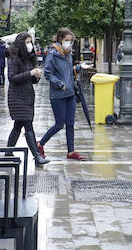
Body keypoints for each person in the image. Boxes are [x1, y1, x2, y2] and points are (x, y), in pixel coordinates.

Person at [39, 27, 86, 161]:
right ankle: (40, 144)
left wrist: (79, 67)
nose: (69, 43)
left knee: (70, 123)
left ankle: (71, 151)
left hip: (70, 93)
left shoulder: (68, 54)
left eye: (70, 41)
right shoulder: (52, 54)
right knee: (59, 124)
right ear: (60, 39)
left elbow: (68, 72)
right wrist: (61, 85)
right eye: (67, 40)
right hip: (59, 94)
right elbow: (48, 74)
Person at [5, 32, 48, 166]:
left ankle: (8, 153)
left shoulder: (27, 58)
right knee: (28, 124)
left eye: (30, 42)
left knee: (18, 125)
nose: (30, 45)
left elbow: (30, 80)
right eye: (27, 42)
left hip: (27, 96)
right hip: (17, 97)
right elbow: (12, 78)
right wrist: (29, 73)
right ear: (21, 43)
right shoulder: (13, 58)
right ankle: (37, 156)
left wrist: (35, 77)